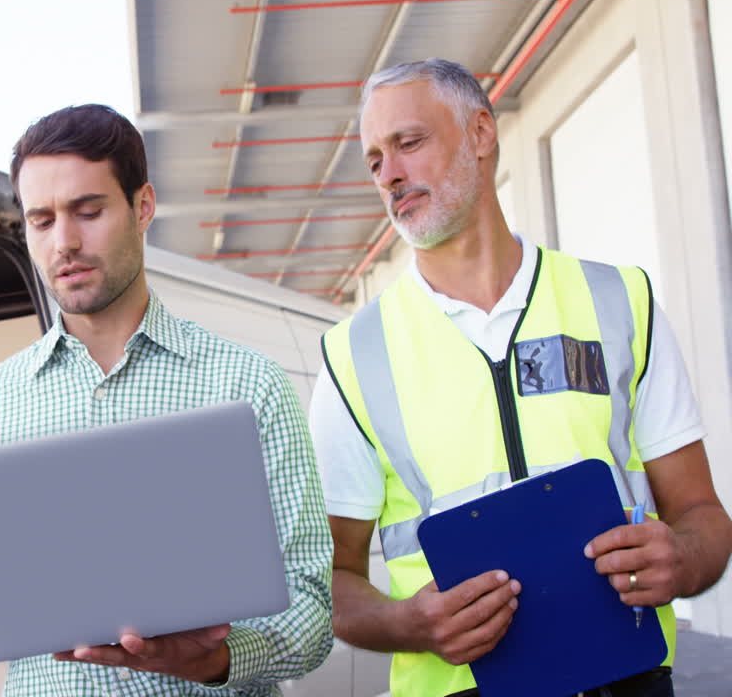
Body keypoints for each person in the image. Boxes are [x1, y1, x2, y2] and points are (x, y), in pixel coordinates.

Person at [0, 104, 335, 695]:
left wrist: (212, 659)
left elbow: (312, 612)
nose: (64, 242)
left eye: (88, 211)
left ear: (142, 206)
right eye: (41, 220)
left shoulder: (248, 385)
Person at [312, 59, 732, 697]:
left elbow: (702, 517)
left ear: (481, 134)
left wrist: (681, 558)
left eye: (409, 143)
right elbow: (334, 584)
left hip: (628, 679)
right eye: (374, 161)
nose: (390, 174)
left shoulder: (621, 302)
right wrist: (407, 623)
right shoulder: (353, 357)